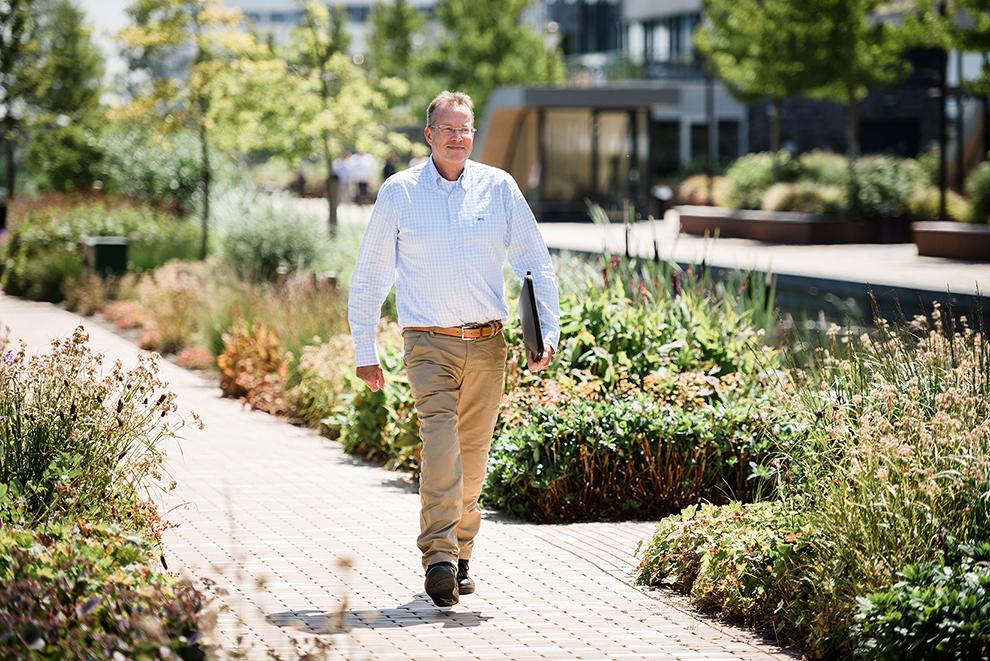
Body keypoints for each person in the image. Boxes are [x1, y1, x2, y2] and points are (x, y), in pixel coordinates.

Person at [348, 90, 560, 608]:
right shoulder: (399, 193)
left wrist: (546, 332)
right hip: (428, 344)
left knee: (472, 459)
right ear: (429, 135)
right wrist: (364, 348)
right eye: (447, 129)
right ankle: (438, 558)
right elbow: (372, 272)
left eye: (465, 129)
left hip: (489, 345)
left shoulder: (499, 188)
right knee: (440, 448)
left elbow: (535, 260)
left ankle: (463, 553)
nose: (458, 137)